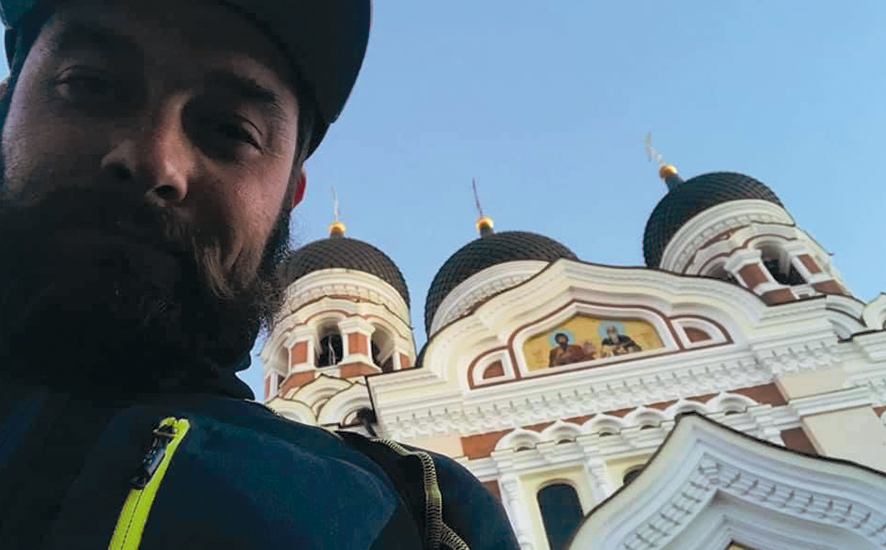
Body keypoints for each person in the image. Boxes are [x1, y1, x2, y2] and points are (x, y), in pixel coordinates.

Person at [0, 0, 520, 548]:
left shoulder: (420, 516)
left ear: (290, 198)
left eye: (231, 129)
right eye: (89, 84)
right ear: (6, 104)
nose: (153, 160)